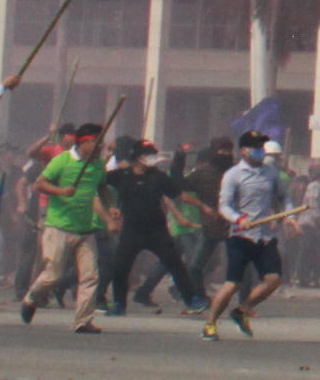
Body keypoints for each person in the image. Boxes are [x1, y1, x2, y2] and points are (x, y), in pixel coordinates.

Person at [20, 122, 113, 331]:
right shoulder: (61, 161)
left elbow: (102, 188)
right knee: (54, 275)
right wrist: (62, 192)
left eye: (102, 143)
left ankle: (83, 321)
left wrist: (111, 207)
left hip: (85, 230)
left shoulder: (99, 165)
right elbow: (39, 184)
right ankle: (32, 297)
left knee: (90, 276)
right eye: (96, 143)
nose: (100, 148)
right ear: (83, 143)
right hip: (59, 228)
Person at [205, 125, 290, 340]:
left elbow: (284, 197)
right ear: (244, 151)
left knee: (273, 280)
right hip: (240, 236)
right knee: (232, 284)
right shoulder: (233, 175)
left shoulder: (271, 173)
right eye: (255, 147)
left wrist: (290, 215)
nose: (260, 150)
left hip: (264, 236)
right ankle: (210, 324)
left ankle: (242, 310)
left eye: (261, 146)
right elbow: (224, 206)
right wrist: (239, 219)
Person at [103, 138, 204, 318]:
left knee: (175, 264)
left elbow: (179, 195)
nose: (152, 158)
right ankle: (119, 304)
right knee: (120, 267)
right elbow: (98, 182)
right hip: (131, 230)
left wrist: (202, 206)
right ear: (137, 157)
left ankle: (192, 299)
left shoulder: (158, 176)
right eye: (148, 155)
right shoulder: (122, 175)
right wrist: (110, 206)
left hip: (156, 230)